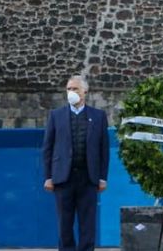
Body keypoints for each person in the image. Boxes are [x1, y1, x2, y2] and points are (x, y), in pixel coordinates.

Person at [42, 76, 109, 251]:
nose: (71, 92)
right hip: (63, 178)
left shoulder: (99, 116)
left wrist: (102, 178)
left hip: (88, 178)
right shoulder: (56, 116)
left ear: (85, 92)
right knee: (65, 223)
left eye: (75, 89)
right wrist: (48, 177)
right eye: (69, 89)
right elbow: (47, 148)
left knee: (88, 223)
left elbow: (104, 150)